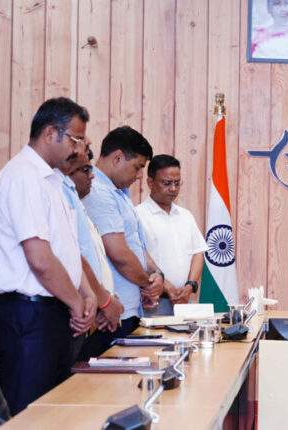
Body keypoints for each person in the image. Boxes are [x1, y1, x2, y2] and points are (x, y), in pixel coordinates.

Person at [0, 97, 97, 413]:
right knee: (29, 413)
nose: (78, 149)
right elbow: (40, 258)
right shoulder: (23, 176)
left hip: (52, 312)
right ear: (50, 133)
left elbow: (66, 250)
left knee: (53, 412)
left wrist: (86, 295)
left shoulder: (53, 180)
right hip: (28, 314)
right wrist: (76, 303)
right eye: (75, 139)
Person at [83, 126, 164, 342]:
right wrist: (147, 285)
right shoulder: (97, 192)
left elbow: (135, 245)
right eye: (138, 167)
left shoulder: (119, 192)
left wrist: (156, 273)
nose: (139, 176)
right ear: (118, 158)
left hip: (128, 307)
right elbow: (118, 254)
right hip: (110, 313)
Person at [60, 144, 124, 364]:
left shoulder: (78, 203)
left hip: (90, 310)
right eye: (86, 169)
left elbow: (93, 260)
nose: (92, 175)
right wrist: (103, 302)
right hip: (74, 313)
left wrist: (102, 303)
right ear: (67, 170)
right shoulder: (63, 196)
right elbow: (74, 258)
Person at [136, 155, 208, 316]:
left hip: (185, 299)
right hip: (154, 302)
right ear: (150, 182)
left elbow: (198, 253)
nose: (173, 189)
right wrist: (167, 287)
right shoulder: (138, 215)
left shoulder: (186, 216)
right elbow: (137, 256)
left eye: (177, 183)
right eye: (166, 183)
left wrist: (190, 286)